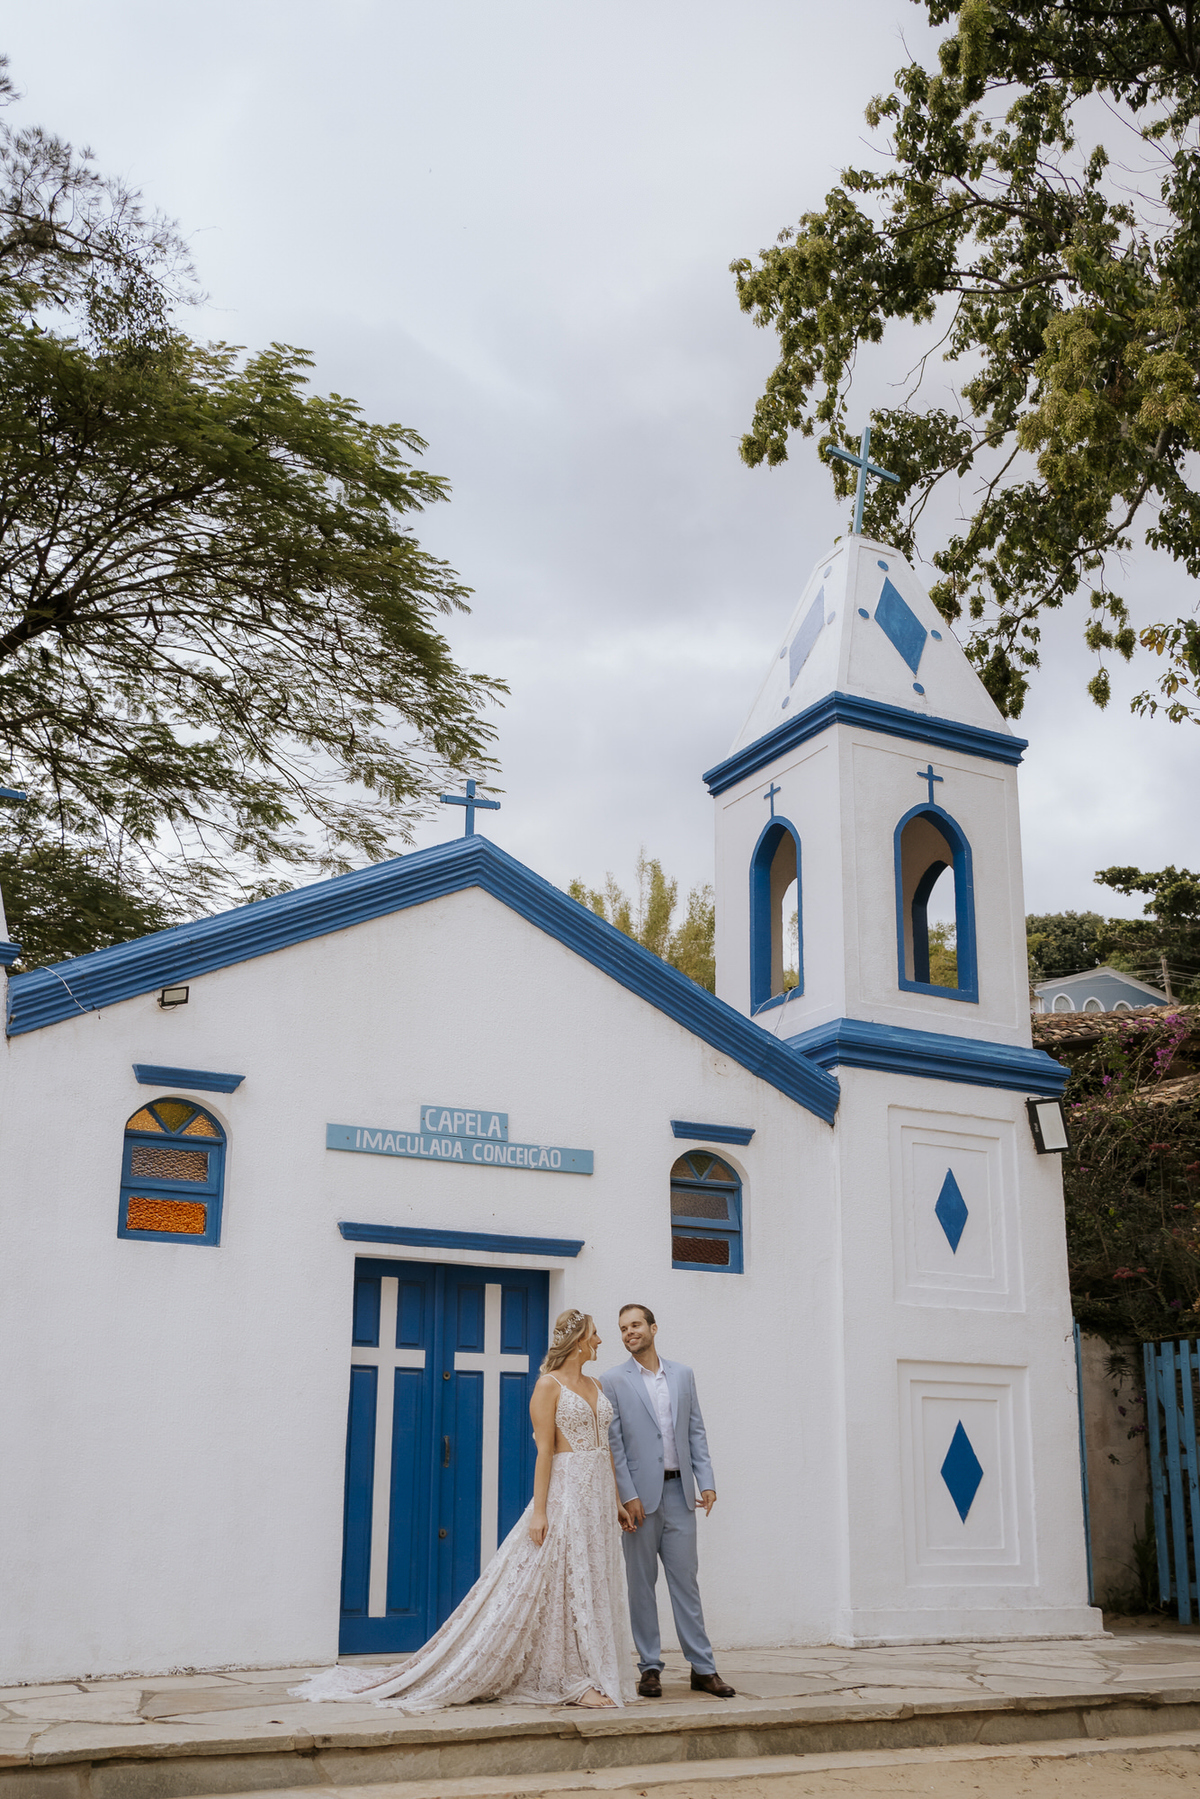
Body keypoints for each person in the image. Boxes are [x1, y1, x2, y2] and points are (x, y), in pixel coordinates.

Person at [292, 1310, 637, 1712]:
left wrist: (614, 1502)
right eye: (594, 1335)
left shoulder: (595, 1383)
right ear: (577, 1341)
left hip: (598, 1499)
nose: (599, 1341)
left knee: (594, 1579)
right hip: (568, 1494)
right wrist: (540, 1511)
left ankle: (595, 1668)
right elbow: (545, 1450)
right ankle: (570, 1677)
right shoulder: (549, 1385)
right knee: (562, 1583)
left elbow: (605, 1447)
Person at [599, 1304, 735, 1700]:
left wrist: (706, 1481)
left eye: (636, 1325)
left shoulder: (683, 1375)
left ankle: (703, 1668)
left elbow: (696, 1430)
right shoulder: (612, 1380)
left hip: (680, 1494)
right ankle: (650, 1667)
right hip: (640, 1500)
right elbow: (614, 1444)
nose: (629, 1333)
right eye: (623, 1328)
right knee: (641, 1585)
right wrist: (628, 1495)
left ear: (654, 1328)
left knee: (685, 1584)